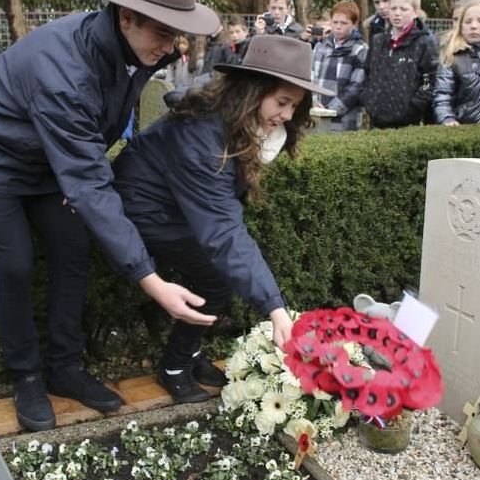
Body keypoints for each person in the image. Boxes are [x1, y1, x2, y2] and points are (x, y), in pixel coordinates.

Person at [0, 0, 220, 431]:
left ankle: (64, 368)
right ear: (126, 16)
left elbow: (101, 133)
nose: (169, 45)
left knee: (73, 249)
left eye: (177, 34)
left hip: (50, 153)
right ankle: (27, 375)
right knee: (15, 261)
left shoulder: (136, 47)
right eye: (162, 32)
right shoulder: (64, 70)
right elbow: (90, 177)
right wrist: (153, 282)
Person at [112, 35, 331, 403]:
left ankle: (190, 353)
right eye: (282, 102)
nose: (289, 116)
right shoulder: (203, 136)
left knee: (212, 275)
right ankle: (174, 367)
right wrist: (275, 308)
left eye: (295, 105)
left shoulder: (229, 117)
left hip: (171, 205)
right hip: (141, 208)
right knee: (214, 277)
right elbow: (223, 231)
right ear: (251, 91)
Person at [360, 0, 439, 128]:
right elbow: (367, 72)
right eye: (393, 8)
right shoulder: (378, 40)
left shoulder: (424, 43)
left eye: (403, 9)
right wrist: (368, 99)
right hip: (376, 121)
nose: (397, 13)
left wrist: (413, 107)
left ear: (415, 12)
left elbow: (430, 80)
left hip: (408, 124)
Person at [311, 0, 367, 131]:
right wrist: (312, 101)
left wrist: (331, 109)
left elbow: (356, 86)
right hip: (316, 113)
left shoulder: (360, 49)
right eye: (335, 22)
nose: (338, 27)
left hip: (346, 118)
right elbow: (311, 75)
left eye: (344, 23)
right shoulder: (320, 46)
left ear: (354, 24)